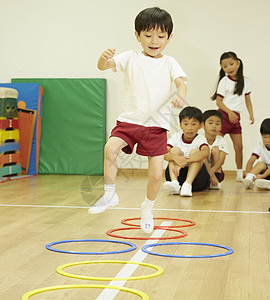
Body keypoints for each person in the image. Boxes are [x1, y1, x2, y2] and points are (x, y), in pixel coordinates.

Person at [89, 7, 188, 233]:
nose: (154, 41)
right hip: (129, 122)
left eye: (161, 36)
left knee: (155, 175)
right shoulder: (130, 57)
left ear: (169, 38)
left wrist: (181, 94)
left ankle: (148, 207)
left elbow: (181, 82)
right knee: (110, 148)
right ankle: (109, 194)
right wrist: (103, 58)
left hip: (156, 127)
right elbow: (104, 66)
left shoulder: (170, 62)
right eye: (148, 35)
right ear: (137, 35)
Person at [211, 51, 255, 182]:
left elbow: (247, 99)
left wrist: (251, 113)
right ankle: (215, 172)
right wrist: (229, 112)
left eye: (231, 64)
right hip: (223, 116)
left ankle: (239, 173)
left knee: (239, 147)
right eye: (225, 66)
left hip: (236, 118)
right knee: (217, 147)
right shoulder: (224, 81)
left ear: (238, 63)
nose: (229, 68)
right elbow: (218, 101)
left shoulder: (245, 82)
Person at [163, 106, 210, 196]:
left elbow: (205, 152)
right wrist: (176, 158)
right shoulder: (176, 137)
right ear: (180, 125)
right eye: (185, 124)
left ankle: (187, 185)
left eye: (193, 124)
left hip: (196, 179)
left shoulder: (200, 138)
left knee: (196, 152)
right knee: (174, 150)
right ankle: (175, 184)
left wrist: (184, 161)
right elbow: (164, 153)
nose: (189, 128)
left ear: (200, 125)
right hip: (177, 174)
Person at [243, 118, 270, 191]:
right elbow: (252, 159)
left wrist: (263, 176)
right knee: (260, 163)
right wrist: (248, 172)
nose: (267, 140)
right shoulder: (261, 145)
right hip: (267, 171)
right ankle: (249, 179)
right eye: (264, 137)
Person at [202, 109, 228, 190]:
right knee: (203, 151)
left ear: (221, 127)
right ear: (203, 125)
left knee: (215, 150)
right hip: (203, 170)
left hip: (216, 171)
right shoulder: (200, 139)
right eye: (210, 123)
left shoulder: (221, 140)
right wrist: (210, 175)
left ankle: (216, 179)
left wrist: (212, 173)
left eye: (217, 124)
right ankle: (210, 180)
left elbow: (221, 160)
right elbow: (203, 158)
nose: (214, 126)